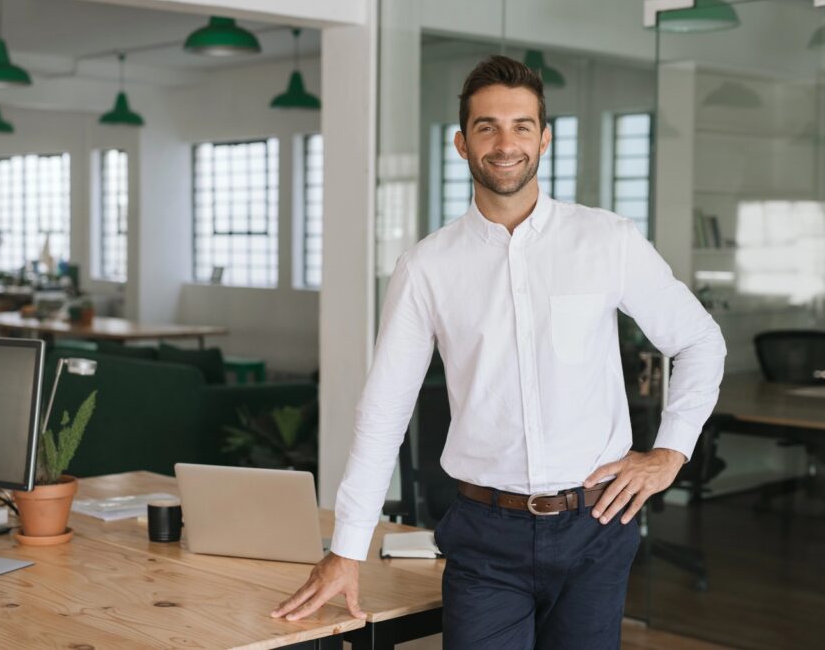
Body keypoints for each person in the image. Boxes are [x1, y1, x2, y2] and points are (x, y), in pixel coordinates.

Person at [271, 55, 727, 648]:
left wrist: (670, 451)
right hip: (486, 535)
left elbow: (698, 340)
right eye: (487, 126)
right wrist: (347, 550)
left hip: (597, 525)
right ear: (462, 143)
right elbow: (384, 409)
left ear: (545, 137)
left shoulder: (606, 240)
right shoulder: (427, 267)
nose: (505, 142)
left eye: (521, 126)